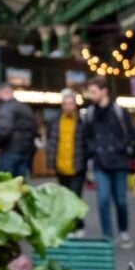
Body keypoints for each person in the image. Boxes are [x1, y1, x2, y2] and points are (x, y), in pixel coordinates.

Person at [82, 77, 135, 248]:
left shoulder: (119, 111)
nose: (92, 96)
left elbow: (130, 134)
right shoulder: (90, 113)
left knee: (120, 200)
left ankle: (123, 231)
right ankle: (107, 235)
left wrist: (120, 147)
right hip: (100, 163)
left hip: (119, 162)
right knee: (103, 200)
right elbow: (87, 137)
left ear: (104, 90)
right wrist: (93, 150)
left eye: (94, 92)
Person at [46, 89, 86, 236]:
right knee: (65, 198)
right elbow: (51, 141)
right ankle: (71, 226)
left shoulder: (82, 121)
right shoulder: (55, 121)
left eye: (70, 103)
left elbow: (85, 142)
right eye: (65, 104)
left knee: (75, 197)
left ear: (75, 105)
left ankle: (78, 226)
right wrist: (51, 162)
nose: (68, 106)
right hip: (61, 165)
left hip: (77, 166)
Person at [0, 83, 36, 179]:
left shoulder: (6, 108)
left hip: (9, 151)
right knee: (20, 184)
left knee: (5, 183)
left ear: (1, 93)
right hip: (25, 152)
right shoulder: (26, 108)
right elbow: (34, 130)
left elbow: (3, 130)